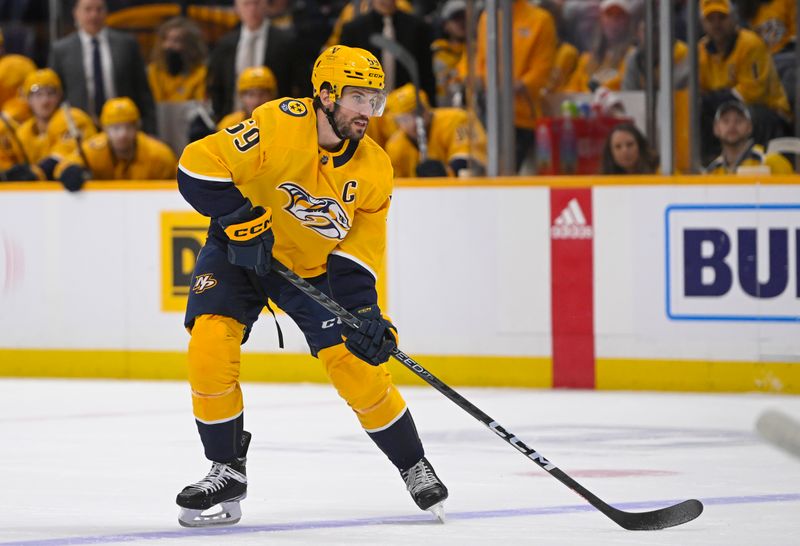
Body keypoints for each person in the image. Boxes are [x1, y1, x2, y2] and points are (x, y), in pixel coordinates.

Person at [173, 45, 448, 528]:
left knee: (354, 364)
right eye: (357, 98)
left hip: (313, 270)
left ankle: (413, 464)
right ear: (324, 94)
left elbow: (357, 255)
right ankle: (225, 467)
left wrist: (366, 315)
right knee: (210, 343)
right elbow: (196, 166)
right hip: (240, 252)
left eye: (374, 100)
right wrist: (241, 220)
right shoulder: (278, 123)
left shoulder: (375, 169)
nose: (367, 112)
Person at [698, 0, 791, 164]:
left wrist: (716, 97)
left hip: (770, 111)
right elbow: (700, 91)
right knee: (699, 111)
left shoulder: (750, 44)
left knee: (746, 115)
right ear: (703, 24)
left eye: (722, 17)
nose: (716, 24)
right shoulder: (701, 51)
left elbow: (753, 92)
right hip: (726, 107)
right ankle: (711, 163)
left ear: (733, 19)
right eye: (711, 19)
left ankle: (758, 163)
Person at [469, 0, 557, 171]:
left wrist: (521, 85)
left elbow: (543, 68)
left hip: (522, 113)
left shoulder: (540, 19)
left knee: (509, 169)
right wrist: (478, 81)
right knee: (484, 167)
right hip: (489, 111)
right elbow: (481, 59)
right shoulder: (488, 18)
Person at [48, 0, 157, 134]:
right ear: (76, 13)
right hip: (80, 130)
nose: (94, 15)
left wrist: (151, 130)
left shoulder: (127, 44)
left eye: (99, 9)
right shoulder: (61, 49)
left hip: (123, 129)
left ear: (106, 12)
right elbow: (56, 94)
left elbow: (143, 92)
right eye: (88, 10)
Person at [55, 97, 177, 191]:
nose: (122, 134)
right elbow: (63, 166)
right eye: (115, 128)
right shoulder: (93, 150)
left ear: (137, 127)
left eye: (128, 127)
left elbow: (176, 184)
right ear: (105, 129)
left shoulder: (159, 155)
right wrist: (71, 171)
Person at [206, 0, 297, 120]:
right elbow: (216, 86)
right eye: (246, 4)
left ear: (266, 5)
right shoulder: (224, 44)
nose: (252, 9)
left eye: (257, 3)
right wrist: (219, 117)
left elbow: (297, 84)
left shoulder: (287, 42)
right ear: (236, 8)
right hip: (233, 123)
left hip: (276, 121)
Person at [339, 0, 436, 101]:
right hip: (365, 104)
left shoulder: (418, 28)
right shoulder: (353, 29)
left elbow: (426, 73)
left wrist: (430, 105)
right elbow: (345, 73)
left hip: (407, 104)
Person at [383, 83, 486, 178]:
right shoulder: (395, 147)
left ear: (427, 108)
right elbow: (396, 187)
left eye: (417, 113)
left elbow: (471, 161)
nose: (414, 122)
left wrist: (446, 172)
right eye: (404, 119)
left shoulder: (457, 119)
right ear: (396, 121)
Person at [704, 100, 793, 174]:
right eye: (726, 121)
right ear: (716, 128)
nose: (732, 125)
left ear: (749, 127)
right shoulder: (712, 171)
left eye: (738, 120)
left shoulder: (770, 162)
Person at [565, 0, 636, 92]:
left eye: (619, 16)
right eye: (609, 15)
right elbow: (571, 91)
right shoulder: (586, 59)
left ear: (628, 21)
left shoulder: (632, 56)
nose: (614, 21)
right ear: (601, 20)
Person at [147, 16, 208, 103]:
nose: (169, 45)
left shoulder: (201, 73)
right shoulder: (154, 71)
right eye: (166, 39)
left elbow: (200, 104)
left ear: (190, 46)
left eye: (176, 41)